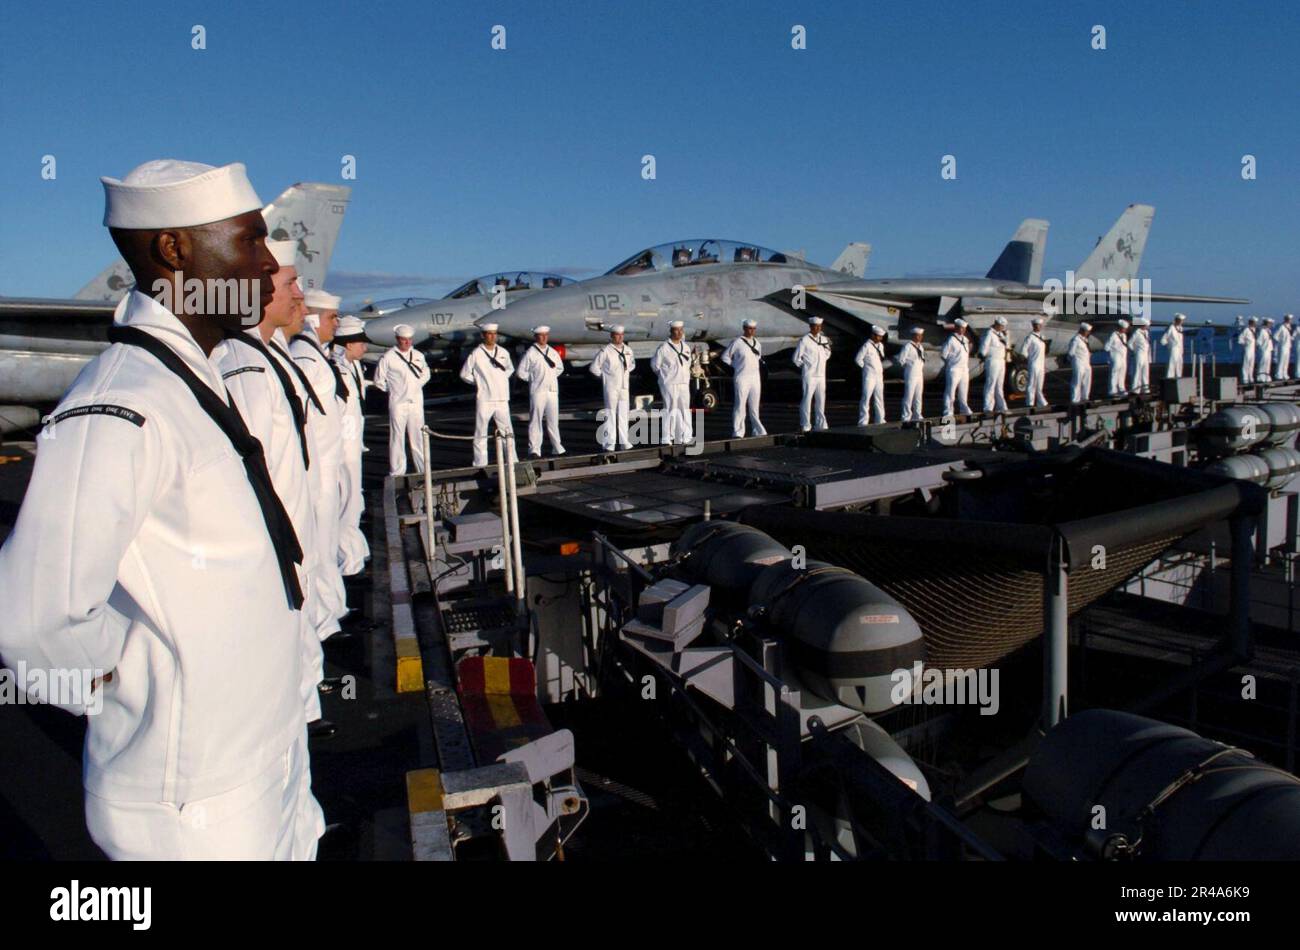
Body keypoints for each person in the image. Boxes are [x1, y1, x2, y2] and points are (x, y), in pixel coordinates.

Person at [0, 159, 320, 860]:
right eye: (247, 241)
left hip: (267, 760)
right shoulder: (123, 403)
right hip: (195, 801)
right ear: (174, 252)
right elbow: (31, 618)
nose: (267, 265)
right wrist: (140, 685)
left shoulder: (195, 382)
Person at [213, 238, 335, 745]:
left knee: (294, 658)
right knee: (275, 680)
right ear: (261, 294)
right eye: (290, 287)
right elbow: (248, 476)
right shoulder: (242, 364)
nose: (299, 300)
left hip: (295, 533)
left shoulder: (267, 355)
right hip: (273, 548)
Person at [291, 291, 351, 627]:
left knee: (327, 546)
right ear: (314, 319)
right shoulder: (306, 357)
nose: (337, 324)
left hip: (328, 466)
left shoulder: (314, 354)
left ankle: (332, 612)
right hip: (318, 470)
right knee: (319, 549)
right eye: (332, 318)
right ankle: (326, 619)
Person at [332, 315, 370, 576]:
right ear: (347, 344)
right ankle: (349, 562)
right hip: (344, 446)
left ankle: (355, 552)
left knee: (354, 500)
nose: (364, 348)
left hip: (353, 443)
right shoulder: (336, 369)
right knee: (347, 502)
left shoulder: (351, 367)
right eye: (360, 343)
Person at [372, 323, 431, 475]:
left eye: (409, 339)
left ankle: (424, 470)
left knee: (418, 438)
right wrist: (393, 390)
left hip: (416, 403)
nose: (407, 342)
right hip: (398, 403)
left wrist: (417, 385)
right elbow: (379, 380)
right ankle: (397, 471)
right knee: (397, 438)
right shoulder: (388, 357)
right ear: (397, 339)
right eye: (404, 340)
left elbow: (426, 373)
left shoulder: (418, 355)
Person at [459, 323, 515, 468]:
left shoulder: (503, 352)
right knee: (481, 431)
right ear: (483, 335)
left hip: (502, 398)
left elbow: (509, 369)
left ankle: (512, 460)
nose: (492, 336)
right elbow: (464, 374)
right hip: (485, 398)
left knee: (507, 432)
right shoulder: (476, 353)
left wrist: (501, 380)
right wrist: (479, 383)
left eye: (494, 333)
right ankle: (480, 463)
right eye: (489, 334)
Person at [515, 325, 565, 458]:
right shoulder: (531, 353)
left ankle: (557, 447)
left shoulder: (552, 352)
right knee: (535, 420)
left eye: (545, 335)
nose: (543, 338)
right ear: (536, 337)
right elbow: (521, 372)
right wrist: (533, 380)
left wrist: (551, 377)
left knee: (553, 421)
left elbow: (560, 368)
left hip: (552, 391)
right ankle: (534, 449)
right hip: (538, 391)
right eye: (541, 335)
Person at [590, 325, 636, 451]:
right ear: (611, 336)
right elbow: (594, 368)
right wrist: (606, 377)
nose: (620, 337)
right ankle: (609, 443)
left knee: (623, 415)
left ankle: (624, 441)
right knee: (610, 414)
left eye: (622, 334)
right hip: (611, 387)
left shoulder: (628, 350)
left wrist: (624, 373)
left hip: (624, 387)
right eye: (617, 334)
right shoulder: (605, 351)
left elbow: (632, 364)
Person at [720, 319, 766, 437]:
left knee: (754, 406)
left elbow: (758, 357)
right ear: (744, 328)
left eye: (753, 329)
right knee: (740, 405)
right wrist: (735, 365)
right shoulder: (737, 342)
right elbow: (725, 356)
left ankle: (758, 430)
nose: (751, 331)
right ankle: (738, 431)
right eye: (749, 328)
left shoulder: (757, 343)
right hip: (742, 377)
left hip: (755, 378)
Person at [652, 320, 694, 445]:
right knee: (670, 409)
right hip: (669, 383)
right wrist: (664, 377)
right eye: (677, 330)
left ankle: (685, 436)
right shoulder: (664, 348)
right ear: (671, 331)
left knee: (684, 409)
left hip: (683, 383)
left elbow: (688, 363)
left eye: (681, 329)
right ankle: (666, 437)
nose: (680, 332)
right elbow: (655, 365)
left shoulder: (685, 347)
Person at [792, 316, 831, 431]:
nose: (817, 328)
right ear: (810, 326)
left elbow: (828, 352)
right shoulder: (805, 340)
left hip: (821, 374)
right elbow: (796, 358)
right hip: (810, 375)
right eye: (815, 326)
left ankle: (821, 424)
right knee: (807, 399)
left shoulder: (823, 339)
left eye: (819, 326)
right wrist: (806, 366)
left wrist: (823, 360)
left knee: (821, 400)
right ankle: (805, 425)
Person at [854, 325, 887, 425]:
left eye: (881, 337)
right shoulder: (867, 346)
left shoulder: (880, 346)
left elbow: (881, 358)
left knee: (879, 398)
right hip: (870, 376)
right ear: (873, 335)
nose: (880, 338)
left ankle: (880, 419)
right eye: (878, 336)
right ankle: (863, 421)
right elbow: (858, 359)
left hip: (879, 376)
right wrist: (866, 368)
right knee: (866, 397)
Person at [940, 318, 973, 418]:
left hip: (964, 369)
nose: (963, 330)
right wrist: (951, 363)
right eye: (961, 328)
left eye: (964, 328)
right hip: (954, 368)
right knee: (950, 391)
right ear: (956, 328)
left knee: (964, 391)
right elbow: (943, 354)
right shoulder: (951, 340)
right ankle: (948, 411)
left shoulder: (965, 340)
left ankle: (964, 408)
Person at [979, 317, 1010, 413]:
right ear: (996, 324)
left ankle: (1001, 406)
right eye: (1001, 326)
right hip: (992, 361)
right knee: (990, 384)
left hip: (1001, 361)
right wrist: (983, 355)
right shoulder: (989, 334)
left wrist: (1007, 337)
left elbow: (1006, 347)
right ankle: (988, 407)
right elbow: (984, 347)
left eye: (1003, 326)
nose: (1002, 328)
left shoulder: (1001, 335)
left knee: (999, 385)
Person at [1020, 317, 1049, 408]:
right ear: (1033, 326)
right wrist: (1026, 358)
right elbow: (1023, 351)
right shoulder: (1030, 338)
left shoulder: (1042, 337)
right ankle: (1030, 403)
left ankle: (1041, 402)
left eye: (1040, 325)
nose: (1039, 327)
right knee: (1032, 384)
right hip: (1034, 364)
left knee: (1040, 385)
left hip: (1041, 364)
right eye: (1037, 325)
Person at [899, 326, 926, 422]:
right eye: (918, 336)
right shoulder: (908, 346)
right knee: (909, 395)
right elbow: (901, 359)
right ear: (914, 336)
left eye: (921, 336)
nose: (920, 337)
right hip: (911, 373)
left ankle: (917, 414)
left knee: (918, 395)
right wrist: (909, 367)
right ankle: (906, 415)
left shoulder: (921, 347)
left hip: (919, 373)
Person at [1067, 323, 1093, 403]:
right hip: (1079, 362)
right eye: (1086, 331)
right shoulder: (1075, 340)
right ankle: (1075, 399)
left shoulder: (1085, 339)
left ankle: (1085, 397)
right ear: (1082, 330)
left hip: (1086, 363)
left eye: (1088, 332)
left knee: (1087, 380)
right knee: (1077, 381)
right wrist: (1074, 361)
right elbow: (1071, 352)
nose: (1088, 333)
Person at [1106, 320, 1130, 397]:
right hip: (1116, 356)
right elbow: (1107, 347)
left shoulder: (1124, 335)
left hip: (1123, 357)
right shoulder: (1113, 335)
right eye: (1124, 328)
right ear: (1120, 328)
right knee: (1114, 373)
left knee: (1122, 373)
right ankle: (1112, 390)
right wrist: (1111, 355)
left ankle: (1121, 388)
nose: (1126, 330)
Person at [1129, 317, 1152, 393]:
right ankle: (1135, 388)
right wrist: (1135, 351)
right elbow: (1129, 343)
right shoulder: (1136, 333)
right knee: (1137, 371)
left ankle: (1145, 388)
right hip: (1139, 354)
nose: (1147, 327)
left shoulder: (1146, 332)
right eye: (1146, 325)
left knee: (1145, 372)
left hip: (1145, 354)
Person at [1160, 313, 1186, 379]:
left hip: (1179, 349)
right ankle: (1169, 378)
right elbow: (1163, 339)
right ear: (1177, 320)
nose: (1182, 322)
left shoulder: (1180, 328)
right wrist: (1170, 345)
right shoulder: (1171, 327)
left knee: (1179, 364)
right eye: (1181, 320)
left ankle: (1178, 378)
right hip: (1173, 348)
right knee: (1172, 364)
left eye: (1182, 320)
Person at [1238, 317, 1257, 384]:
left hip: (1253, 349)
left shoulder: (1254, 330)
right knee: (1246, 364)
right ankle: (1245, 378)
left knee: (1251, 364)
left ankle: (1250, 377)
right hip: (1248, 349)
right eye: (1255, 322)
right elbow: (1240, 339)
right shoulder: (1246, 329)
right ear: (1251, 322)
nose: (1256, 324)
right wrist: (1245, 344)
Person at [1275, 314, 1293, 382]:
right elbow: (1275, 336)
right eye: (1290, 319)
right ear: (1286, 319)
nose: (1290, 320)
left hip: (1287, 346)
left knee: (1286, 361)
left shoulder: (1289, 327)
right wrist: (1281, 342)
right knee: (1281, 361)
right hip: (1283, 346)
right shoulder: (1282, 327)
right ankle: (1279, 375)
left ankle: (1284, 374)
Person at [1257, 318, 1274, 383]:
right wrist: (1261, 348)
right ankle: (1260, 377)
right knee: (1262, 363)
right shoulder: (1262, 331)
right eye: (1270, 323)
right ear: (1266, 323)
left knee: (1267, 364)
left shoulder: (1269, 331)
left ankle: (1267, 377)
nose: (1271, 324)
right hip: (1264, 350)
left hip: (1269, 349)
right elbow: (1259, 342)